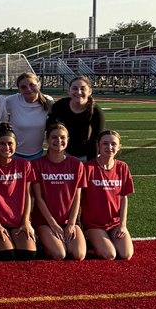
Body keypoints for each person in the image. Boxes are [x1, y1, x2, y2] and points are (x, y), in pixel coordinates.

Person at [0, 124, 38, 261]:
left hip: (18, 222)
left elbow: (29, 195)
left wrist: (26, 222)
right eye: (2, 144)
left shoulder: (24, 165)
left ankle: (12, 237)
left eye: (10, 143)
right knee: (6, 255)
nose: (6, 147)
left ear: (16, 145)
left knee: (27, 255)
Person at [32, 123, 87, 261]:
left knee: (78, 255)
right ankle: (42, 242)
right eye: (54, 137)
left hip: (69, 220)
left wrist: (71, 224)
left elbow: (77, 197)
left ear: (68, 140)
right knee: (59, 254)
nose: (58, 141)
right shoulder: (37, 164)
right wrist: (53, 225)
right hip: (45, 221)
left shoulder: (76, 165)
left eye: (62, 137)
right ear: (47, 140)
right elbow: (38, 199)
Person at [81, 130, 134, 260]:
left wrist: (122, 225)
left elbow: (124, 197)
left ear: (119, 147)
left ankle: (106, 238)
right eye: (105, 143)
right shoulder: (88, 168)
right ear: (98, 146)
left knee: (126, 255)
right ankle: (92, 239)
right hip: (94, 224)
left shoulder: (122, 167)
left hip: (115, 224)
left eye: (113, 144)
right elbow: (78, 198)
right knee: (109, 254)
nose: (109, 147)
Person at [49, 76, 104, 162]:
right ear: (69, 90)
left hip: (85, 156)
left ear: (89, 91)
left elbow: (96, 140)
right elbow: (51, 131)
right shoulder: (60, 105)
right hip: (62, 153)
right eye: (75, 88)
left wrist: (91, 163)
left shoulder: (96, 111)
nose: (78, 92)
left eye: (83, 89)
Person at [6, 72, 54, 160]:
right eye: (23, 87)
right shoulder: (11, 100)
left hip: (37, 154)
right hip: (14, 153)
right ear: (19, 89)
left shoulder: (48, 101)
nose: (28, 89)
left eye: (32, 85)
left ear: (39, 85)